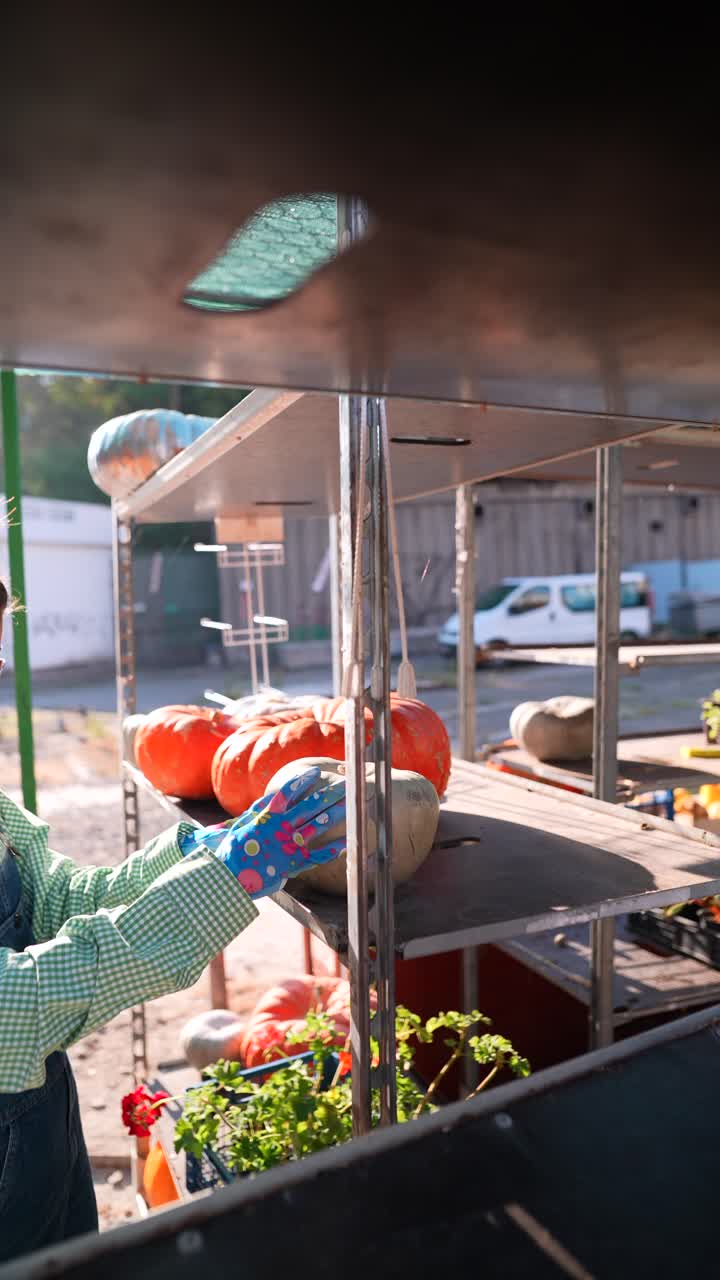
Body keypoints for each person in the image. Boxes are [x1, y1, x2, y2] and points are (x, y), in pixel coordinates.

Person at [0, 579, 347, 1262]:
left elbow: (63, 900)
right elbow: (18, 1002)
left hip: (40, 1139)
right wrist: (228, 879)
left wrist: (198, 849)